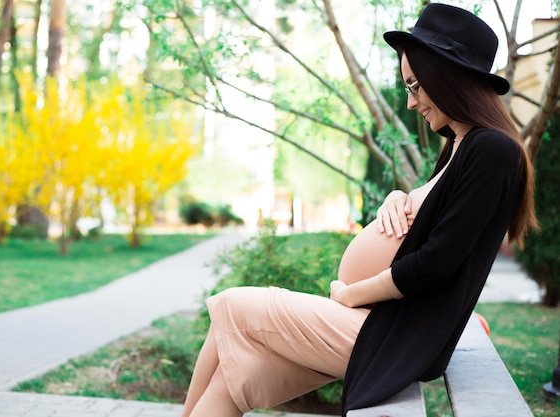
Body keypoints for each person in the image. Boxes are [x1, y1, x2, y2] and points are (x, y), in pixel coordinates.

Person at [178, 4, 538, 417]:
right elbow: (432, 216)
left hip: (392, 334)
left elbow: (436, 263)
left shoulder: (491, 149)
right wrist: (398, 197)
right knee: (233, 374)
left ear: (447, 76)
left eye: (414, 86)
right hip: (378, 324)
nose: (410, 102)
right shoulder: (461, 144)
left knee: (231, 305)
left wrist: (350, 293)